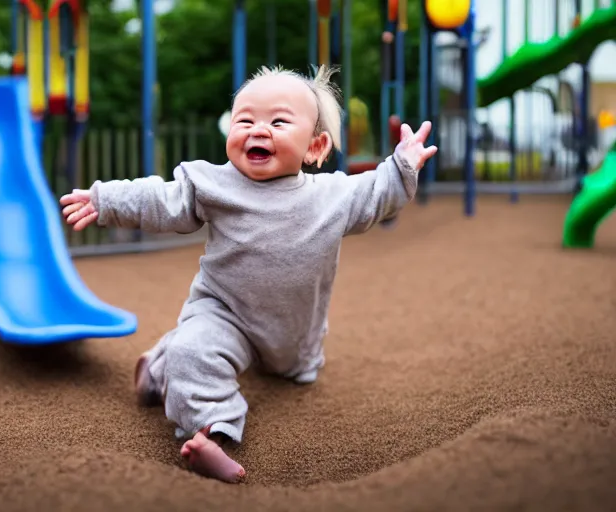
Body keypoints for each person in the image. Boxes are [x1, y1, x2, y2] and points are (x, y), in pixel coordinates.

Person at [60, 65, 437, 484]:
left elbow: (376, 193)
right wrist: (107, 199)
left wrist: (403, 164)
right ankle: (210, 433)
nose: (259, 130)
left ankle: (157, 367)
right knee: (193, 351)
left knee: (293, 371)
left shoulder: (332, 196)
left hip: (294, 332)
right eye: (245, 120)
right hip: (226, 313)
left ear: (315, 147)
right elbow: (160, 198)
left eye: (278, 121)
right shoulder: (213, 185)